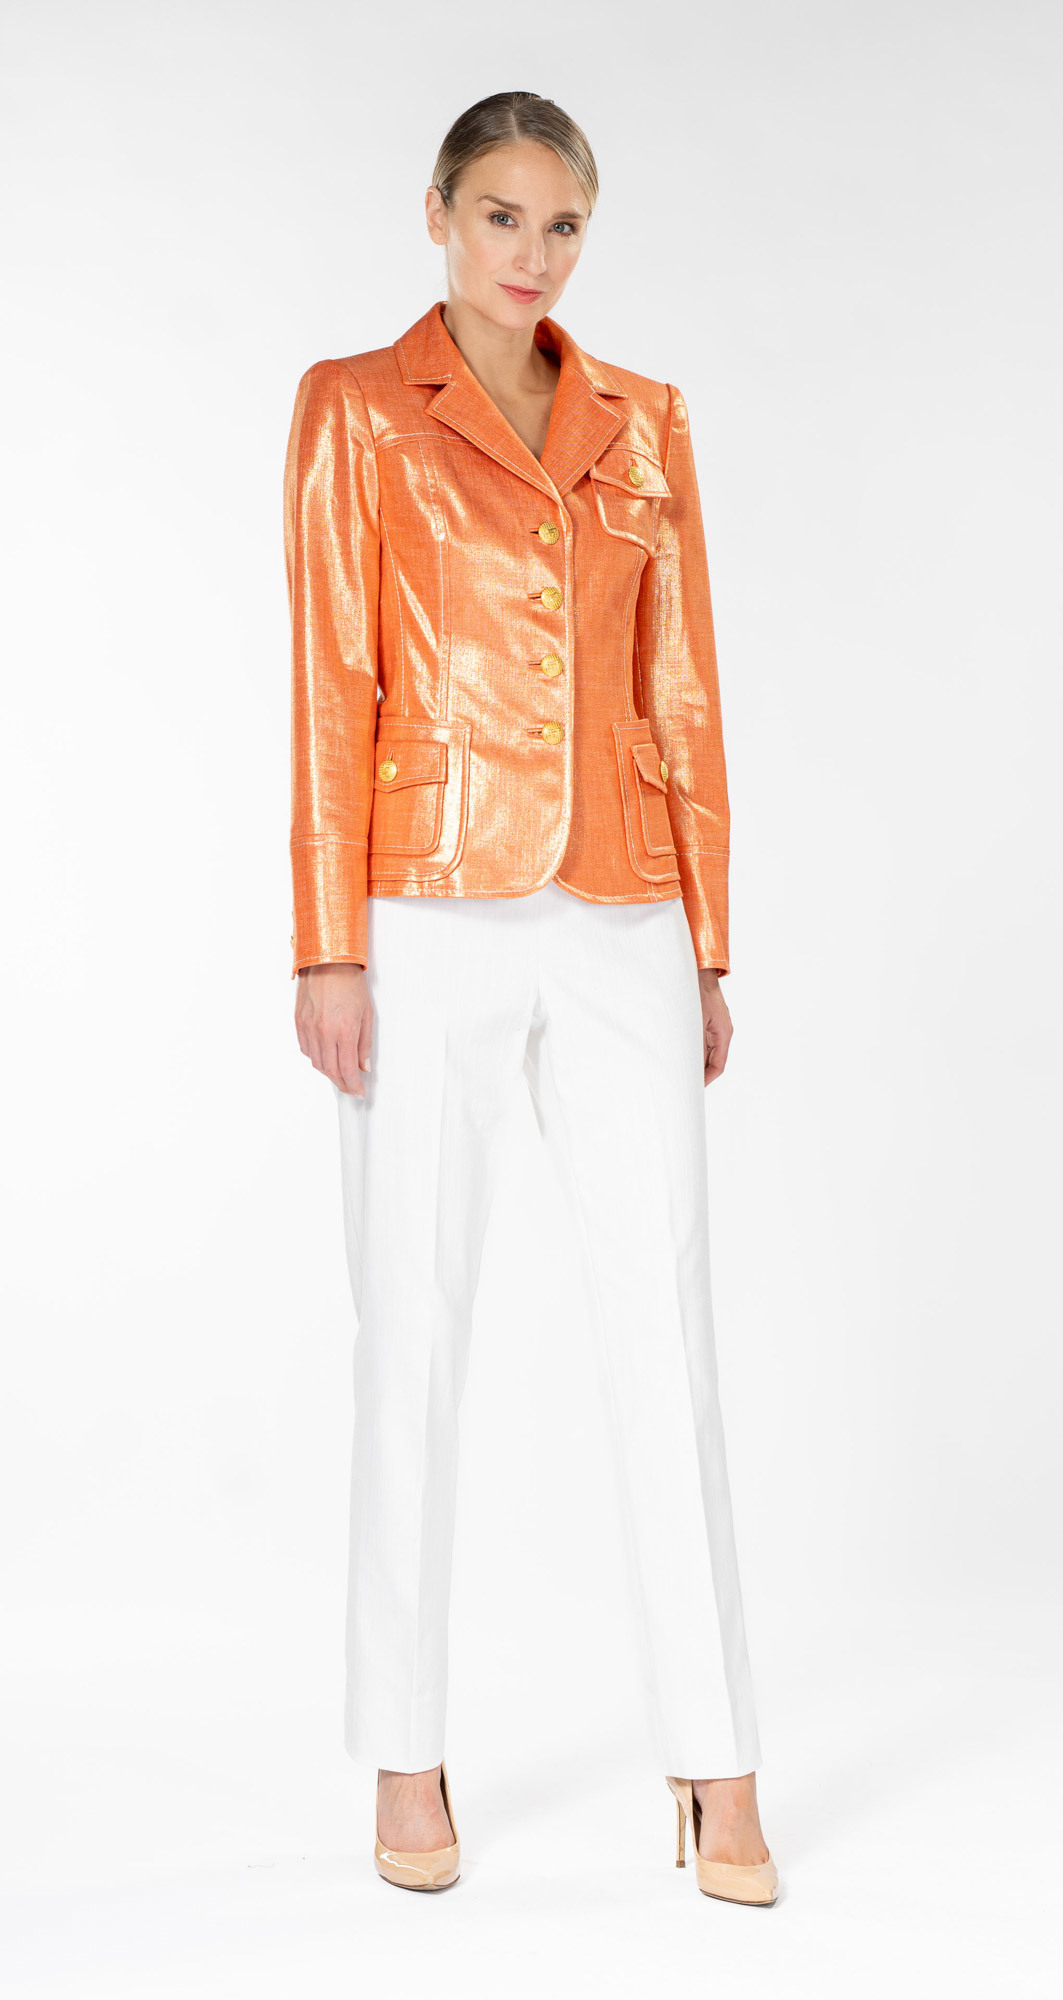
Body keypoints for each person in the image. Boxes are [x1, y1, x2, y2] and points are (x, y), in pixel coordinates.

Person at [283, 89, 779, 1905]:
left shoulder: (646, 422)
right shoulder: (356, 407)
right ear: (437, 213)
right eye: (502, 216)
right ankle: (407, 1752)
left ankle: (718, 1763)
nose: (533, 254)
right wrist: (326, 943)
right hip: (426, 907)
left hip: (626, 907)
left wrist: (706, 943)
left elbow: (685, 691)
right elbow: (332, 678)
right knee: (410, 1325)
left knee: (667, 1321)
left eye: (562, 225)